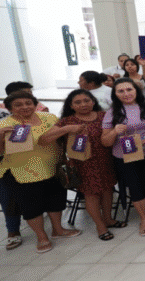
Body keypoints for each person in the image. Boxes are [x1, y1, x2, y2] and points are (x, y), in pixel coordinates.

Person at [1, 91, 82, 253]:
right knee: (32, 207)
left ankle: (58, 230)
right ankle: (41, 237)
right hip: (21, 172)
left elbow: (61, 139)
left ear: (35, 104)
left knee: (56, 200)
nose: (25, 107)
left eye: (28, 103)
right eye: (18, 105)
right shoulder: (5, 125)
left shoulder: (49, 118)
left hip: (52, 167)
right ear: (9, 108)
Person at [42, 90, 124, 241]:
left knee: (108, 190)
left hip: (106, 160)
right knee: (91, 194)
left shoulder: (104, 115)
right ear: (71, 105)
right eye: (78, 102)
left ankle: (108, 219)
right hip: (83, 164)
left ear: (93, 101)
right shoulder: (67, 121)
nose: (83, 104)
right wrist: (67, 129)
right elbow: (44, 140)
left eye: (86, 100)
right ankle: (100, 226)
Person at [101, 78, 145, 237]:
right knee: (135, 188)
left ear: (136, 90)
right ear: (115, 94)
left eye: (129, 89)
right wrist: (114, 131)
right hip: (125, 156)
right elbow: (105, 141)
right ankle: (143, 219)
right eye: (121, 91)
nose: (126, 94)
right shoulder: (112, 112)